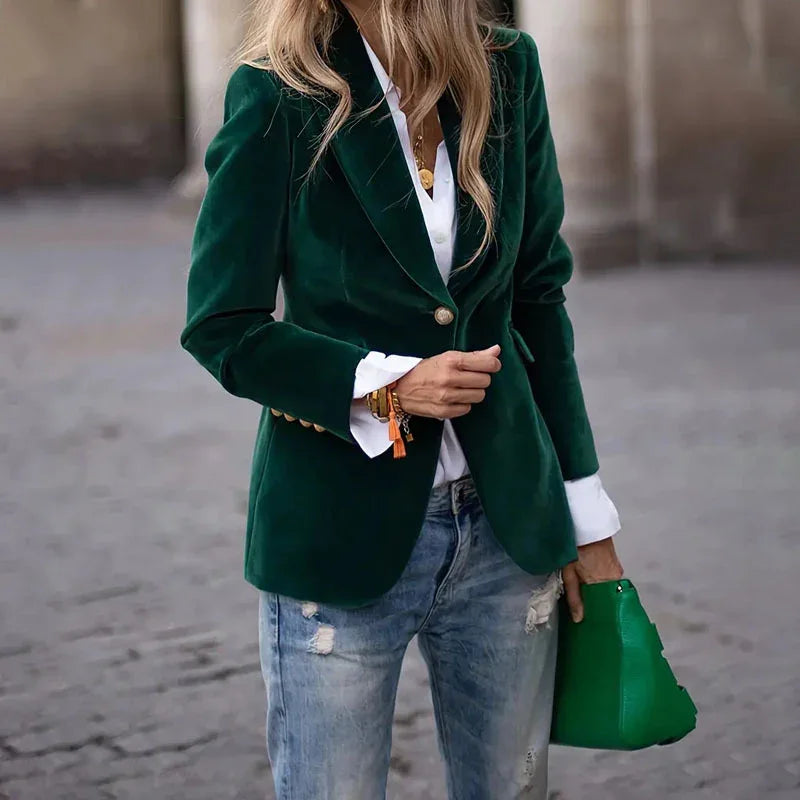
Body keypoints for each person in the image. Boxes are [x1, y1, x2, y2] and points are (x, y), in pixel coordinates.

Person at [181, 0, 624, 797]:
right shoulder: (279, 89)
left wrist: (586, 521)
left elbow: (539, 302)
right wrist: (386, 384)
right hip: (338, 527)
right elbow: (224, 327)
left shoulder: (507, 69)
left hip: (506, 527)